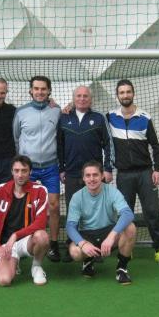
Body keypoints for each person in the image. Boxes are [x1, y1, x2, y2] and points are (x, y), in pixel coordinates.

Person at [106, 79, 159, 265]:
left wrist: (157, 169)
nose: (125, 95)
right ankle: (127, 249)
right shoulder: (109, 117)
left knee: (152, 212)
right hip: (124, 175)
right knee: (125, 213)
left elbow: (156, 147)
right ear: (117, 95)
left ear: (133, 93)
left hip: (145, 173)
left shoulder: (145, 117)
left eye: (128, 92)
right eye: (122, 92)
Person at [57, 85, 113, 262]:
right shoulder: (64, 118)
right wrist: (61, 168)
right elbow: (60, 145)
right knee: (74, 211)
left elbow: (108, 145)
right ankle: (72, 246)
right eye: (79, 96)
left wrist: (108, 169)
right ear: (74, 98)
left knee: (95, 211)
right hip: (72, 174)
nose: (82, 99)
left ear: (91, 99)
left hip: (94, 176)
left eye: (85, 96)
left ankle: (96, 247)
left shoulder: (98, 118)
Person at [12, 76, 63, 262]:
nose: (39, 92)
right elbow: (16, 139)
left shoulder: (56, 110)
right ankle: (26, 243)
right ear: (30, 91)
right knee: (27, 206)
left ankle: (54, 245)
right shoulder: (21, 112)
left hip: (51, 167)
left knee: (54, 206)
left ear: (49, 91)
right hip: (29, 170)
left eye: (43, 89)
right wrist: (22, 167)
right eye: (36, 89)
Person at [66, 161, 136, 285]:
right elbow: (70, 226)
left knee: (130, 228)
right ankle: (88, 260)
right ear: (83, 178)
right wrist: (82, 244)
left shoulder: (112, 191)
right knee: (75, 252)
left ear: (102, 175)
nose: (92, 179)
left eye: (95, 175)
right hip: (87, 235)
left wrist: (111, 236)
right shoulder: (77, 197)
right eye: (88, 175)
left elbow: (127, 214)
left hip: (108, 232)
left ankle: (122, 268)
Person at [0, 155, 50, 286]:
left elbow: (40, 223)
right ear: (12, 172)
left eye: (24, 171)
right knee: (4, 281)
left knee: (42, 236)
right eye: (16, 170)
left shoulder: (41, 191)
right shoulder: (1, 189)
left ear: (30, 172)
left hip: (26, 240)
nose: (20, 175)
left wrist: (15, 235)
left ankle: (36, 267)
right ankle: (15, 262)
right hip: (5, 244)